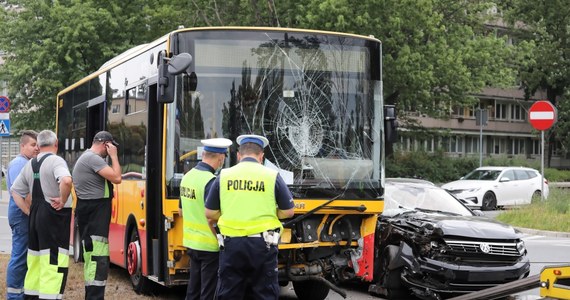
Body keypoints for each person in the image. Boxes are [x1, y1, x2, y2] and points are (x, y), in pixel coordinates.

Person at [205, 134, 295, 300]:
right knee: (264, 293)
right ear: (261, 156)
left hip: (231, 245)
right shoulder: (271, 176)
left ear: (239, 156)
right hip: (263, 246)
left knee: (229, 293)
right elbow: (289, 211)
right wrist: (269, 211)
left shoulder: (223, 175)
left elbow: (209, 213)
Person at [10, 130, 73, 300]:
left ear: (38, 145)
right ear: (56, 143)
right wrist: (62, 199)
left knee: (35, 260)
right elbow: (66, 180)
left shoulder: (30, 164)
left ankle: (31, 296)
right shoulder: (56, 160)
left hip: (35, 216)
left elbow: (15, 191)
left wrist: (28, 210)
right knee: (53, 261)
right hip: (54, 217)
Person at [180, 138, 232, 300]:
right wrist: (220, 239)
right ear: (220, 158)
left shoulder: (187, 177)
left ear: (203, 155)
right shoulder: (211, 181)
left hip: (191, 243)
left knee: (193, 290)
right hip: (209, 246)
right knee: (208, 293)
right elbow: (211, 218)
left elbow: (181, 211)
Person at [72, 131, 122, 300]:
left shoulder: (89, 158)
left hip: (93, 213)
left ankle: (93, 296)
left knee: (95, 259)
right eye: (110, 147)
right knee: (97, 259)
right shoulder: (92, 158)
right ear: (105, 144)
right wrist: (114, 157)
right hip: (94, 215)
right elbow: (117, 178)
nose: (111, 150)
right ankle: (94, 297)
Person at [6, 130, 39, 300]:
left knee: (24, 254)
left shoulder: (26, 162)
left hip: (22, 213)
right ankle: (14, 295)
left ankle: (21, 292)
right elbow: (23, 194)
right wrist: (32, 213)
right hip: (21, 214)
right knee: (19, 255)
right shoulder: (20, 164)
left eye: (38, 145)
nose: (36, 148)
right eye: (33, 145)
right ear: (23, 145)